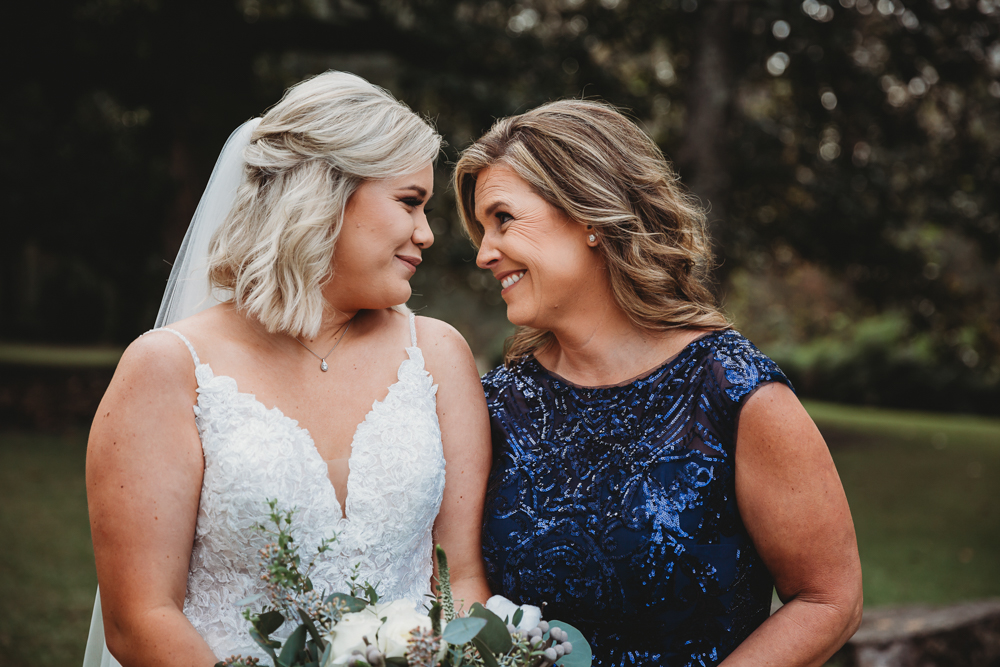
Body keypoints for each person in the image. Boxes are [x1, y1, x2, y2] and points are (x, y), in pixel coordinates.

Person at [83, 71, 491, 667]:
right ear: (323, 193)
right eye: (410, 202)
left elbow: (460, 580)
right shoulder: (170, 367)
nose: (426, 234)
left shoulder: (438, 355)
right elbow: (139, 618)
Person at [453, 100, 863, 667]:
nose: (483, 254)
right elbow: (461, 585)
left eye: (503, 218)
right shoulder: (494, 404)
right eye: (481, 229)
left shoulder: (731, 390)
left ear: (590, 215)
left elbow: (829, 599)